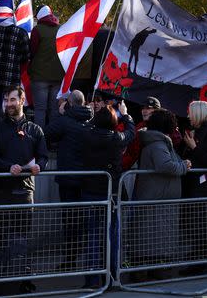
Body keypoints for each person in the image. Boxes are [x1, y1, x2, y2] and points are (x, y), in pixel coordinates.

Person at [0, 85, 46, 292]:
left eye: (12, 100)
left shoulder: (35, 129)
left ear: (22, 101)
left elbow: (44, 155)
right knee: (0, 236)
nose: (8, 104)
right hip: (2, 192)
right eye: (6, 100)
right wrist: (7, 167)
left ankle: (22, 279)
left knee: (21, 238)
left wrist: (41, 166)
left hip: (26, 192)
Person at [81, 104, 135, 287]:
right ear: (113, 121)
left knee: (92, 237)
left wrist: (91, 116)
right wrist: (126, 115)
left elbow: (85, 126)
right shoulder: (116, 138)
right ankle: (113, 277)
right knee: (113, 236)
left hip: (90, 192)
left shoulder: (87, 136)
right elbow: (131, 133)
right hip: (111, 195)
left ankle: (93, 279)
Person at [132, 108, 190, 267]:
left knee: (153, 237)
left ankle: (153, 267)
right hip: (158, 197)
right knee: (152, 238)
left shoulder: (158, 142)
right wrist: (184, 166)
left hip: (159, 196)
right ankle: (151, 269)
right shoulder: (158, 144)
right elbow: (165, 166)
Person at [44, 90, 93, 203]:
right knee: (82, 215)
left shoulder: (64, 121)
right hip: (87, 177)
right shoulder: (92, 121)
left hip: (67, 176)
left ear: (69, 103)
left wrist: (59, 114)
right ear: (84, 102)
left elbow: (46, 133)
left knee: (69, 215)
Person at [0, 19, 30, 125]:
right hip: (12, 78)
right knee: (12, 106)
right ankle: (9, 130)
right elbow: (26, 56)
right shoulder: (21, 33)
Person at [29, 6, 64, 127]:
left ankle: (39, 139)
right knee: (54, 110)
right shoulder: (61, 29)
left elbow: (32, 51)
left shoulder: (37, 30)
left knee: (40, 110)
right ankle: (52, 140)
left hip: (39, 77)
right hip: (58, 76)